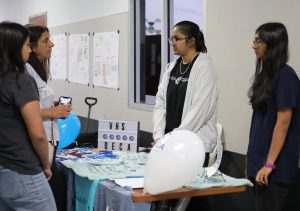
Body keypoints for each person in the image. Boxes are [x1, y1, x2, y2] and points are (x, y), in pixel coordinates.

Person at [152, 20, 219, 210]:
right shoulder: (171, 67)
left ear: (191, 41)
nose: (172, 42)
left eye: (176, 38)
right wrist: (159, 136)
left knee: (186, 202)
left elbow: (200, 110)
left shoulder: (205, 67)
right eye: (171, 38)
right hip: (168, 144)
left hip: (193, 146)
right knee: (165, 198)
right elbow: (160, 103)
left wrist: (173, 139)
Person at [0, 21, 56, 210]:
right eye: (26, 45)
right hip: (22, 168)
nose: (30, 51)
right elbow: (38, 134)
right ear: (14, 48)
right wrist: (45, 165)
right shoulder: (21, 80)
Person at [247, 22, 300, 211]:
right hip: (259, 165)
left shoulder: (286, 77)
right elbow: (258, 124)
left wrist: (269, 164)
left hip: (274, 170)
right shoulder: (265, 75)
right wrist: (251, 161)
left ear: (272, 44)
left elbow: (283, 125)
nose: (253, 45)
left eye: (258, 41)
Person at [25, 24, 71, 211]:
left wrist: (52, 108)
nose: (51, 44)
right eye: (45, 40)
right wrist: (51, 112)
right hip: (39, 146)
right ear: (31, 46)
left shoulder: (37, 72)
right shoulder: (25, 72)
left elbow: (34, 104)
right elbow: (22, 113)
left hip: (50, 143)